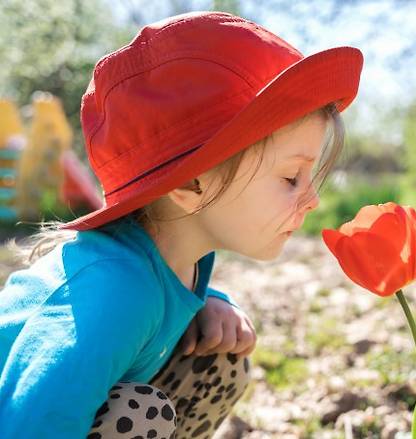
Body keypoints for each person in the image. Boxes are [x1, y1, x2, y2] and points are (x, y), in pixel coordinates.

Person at [0, 10, 363, 439]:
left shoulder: (174, 266)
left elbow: (155, 291)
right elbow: (30, 421)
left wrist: (208, 300)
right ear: (193, 183)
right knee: (139, 412)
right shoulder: (113, 294)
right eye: (290, 178)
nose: (313, 198)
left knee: (221, 357)